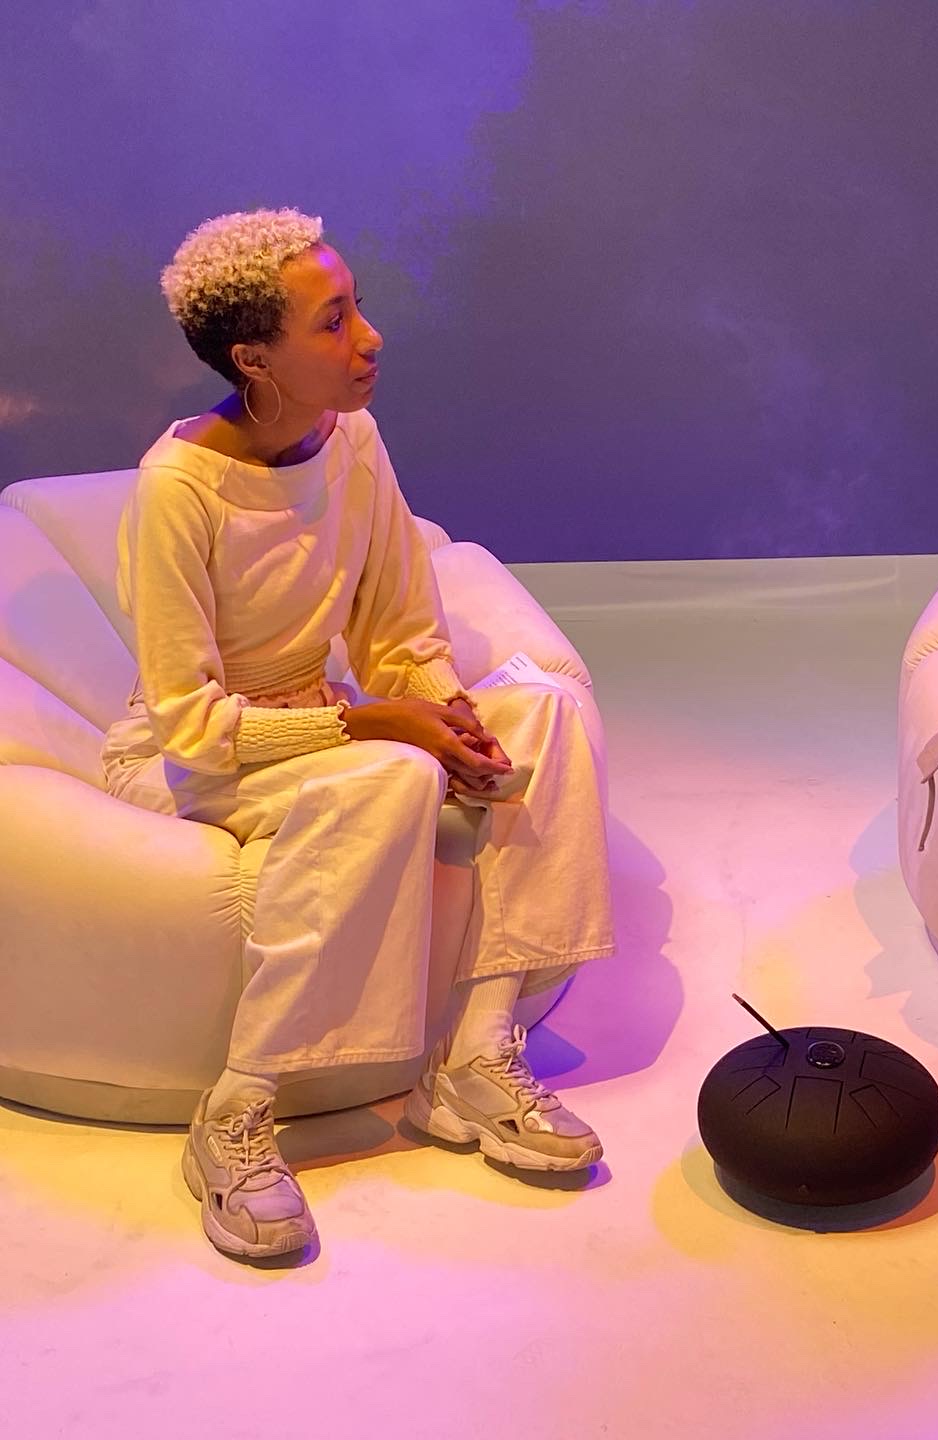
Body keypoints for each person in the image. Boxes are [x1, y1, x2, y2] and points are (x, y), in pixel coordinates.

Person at [103, 208, 615, 1261]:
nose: (369, 338)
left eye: (357, 307)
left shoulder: (354, 440)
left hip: (328, 718)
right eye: (332, 321)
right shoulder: (177, 490)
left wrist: (450, 716)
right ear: (254, 358)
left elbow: (400, 632)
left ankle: (474, 1058)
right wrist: (387, 725)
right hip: (195, 757)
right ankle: (235, 1111)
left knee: (545, 711)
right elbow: (191, 726)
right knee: (389, 776)